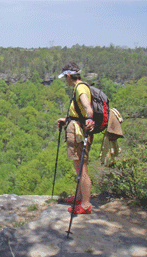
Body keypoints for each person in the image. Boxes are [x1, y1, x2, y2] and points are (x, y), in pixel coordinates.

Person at [57, 62, 95, 214]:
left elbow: (87, 107)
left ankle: (85, 204)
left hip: (79, 133)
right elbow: (79, 113)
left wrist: (90, 118)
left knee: (81, 168)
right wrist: (66, 120)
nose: (65, 81)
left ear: (68, 76)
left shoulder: (80, 88)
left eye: (64, 78)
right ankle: (79, 197)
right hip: (76, 127)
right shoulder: (80, 87)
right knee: (77, 166)